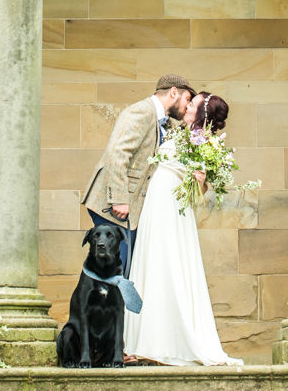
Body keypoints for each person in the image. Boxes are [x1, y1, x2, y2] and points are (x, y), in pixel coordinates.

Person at [123, 91, 241, 366]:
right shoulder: (182, 133)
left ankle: (166, 343)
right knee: (151, 265)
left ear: (200, 111)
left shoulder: (200, 140)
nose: (187, 106)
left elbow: (200, 187)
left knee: (169, 265)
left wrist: (200, 179)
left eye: (193, 103)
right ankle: (142, 343)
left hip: (170, 206)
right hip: (157, 203)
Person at [81, 73, 194, 266]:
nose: (187, 106)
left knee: (123, 271)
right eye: (187, 99)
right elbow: (117, 153)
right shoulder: (142, 111)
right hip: (114, 207)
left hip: (130, 209)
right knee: (114, 270)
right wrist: (119, 199)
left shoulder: (162, 120)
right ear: (174, 92)